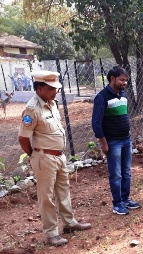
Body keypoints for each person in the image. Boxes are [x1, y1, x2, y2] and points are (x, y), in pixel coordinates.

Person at [18, 70, 91, 246]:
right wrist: (34, 155)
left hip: (59, 157)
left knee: (63, 191)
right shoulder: (32, 109)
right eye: (51, 89)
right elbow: (23, 138)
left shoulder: (51, 103)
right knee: (46, 196)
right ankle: (51, 233)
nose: (55, 91)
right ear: (40, 88)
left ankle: (69, 223)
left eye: (56, 88)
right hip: (44, 158)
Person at [92, 66, 141, 215]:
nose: (124, 82)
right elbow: (96, 123)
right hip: (113, 142)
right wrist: (103, 143)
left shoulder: (123, 96)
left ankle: (126, 199)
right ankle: (117, 203)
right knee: (116, 174)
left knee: (126, 172)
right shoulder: (102, 97)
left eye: (126, 80)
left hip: (126, 140)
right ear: (112, 78)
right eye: (121, 79)